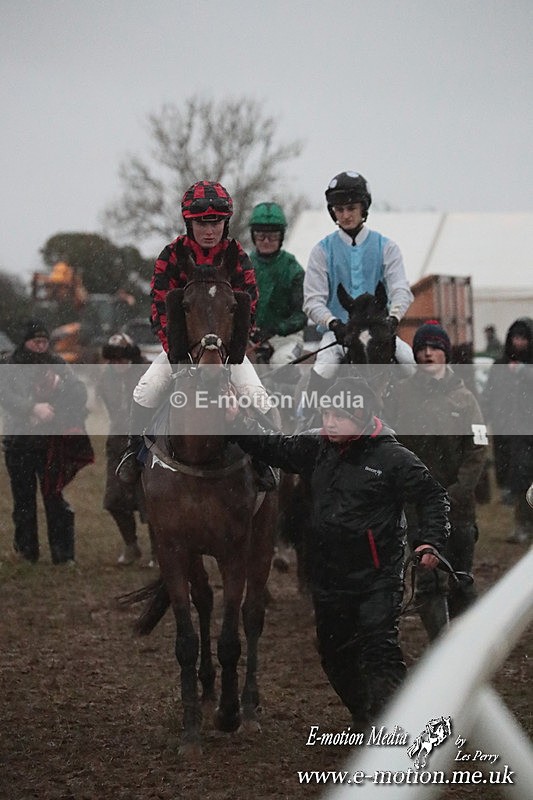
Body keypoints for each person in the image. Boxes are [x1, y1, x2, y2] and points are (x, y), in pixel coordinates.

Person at [226, 376, 449, 727]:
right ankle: (365, 714)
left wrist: (430, 540)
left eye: (339, 415)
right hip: (329, 575)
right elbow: (272, 446)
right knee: (333, 653)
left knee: (379, 650)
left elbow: (433, 496)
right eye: (326, 413)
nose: (329, 421)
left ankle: (395, 726)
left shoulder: (393, 458)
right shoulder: (316, 447)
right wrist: (235, 421)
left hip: (378, 575)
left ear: (362, 418)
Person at [117, 180, 277, 487]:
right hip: (182, 349)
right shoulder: (171, 255)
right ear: (189, 223)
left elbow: (249, 306)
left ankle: (265, 460)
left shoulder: (237, 256)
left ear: (225, 223)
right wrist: (178, 355)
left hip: (228, 353)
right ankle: (133, 451)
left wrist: (232, 353)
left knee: (259, 398)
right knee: (147, 389)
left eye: (215, 222)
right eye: (202, 222)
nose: (209, 230)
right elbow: (160, 309)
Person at [383, 320, 488, 640]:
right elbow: (390, 443)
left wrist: (459, 490)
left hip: (458, 506)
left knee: (460, 578)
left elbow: (477, 450)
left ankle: (463, 638)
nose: (428, 354)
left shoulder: (465, 399)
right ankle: (441, 643)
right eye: (422, 349)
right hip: (417, 505)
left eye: (435, 348)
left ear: (446, 354)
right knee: (427, 580)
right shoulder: (400, 396)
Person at [303, 171, 415, 397]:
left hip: (379, 331)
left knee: (410, 362)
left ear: (363, 209)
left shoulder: (387, 247)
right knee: (324, 366)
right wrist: (333, 324)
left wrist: (393, 319)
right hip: (340, 334)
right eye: (339, 210)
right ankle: (305, 419)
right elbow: (313, 300)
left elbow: (401, 290)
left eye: (351, 208)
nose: (345, 215)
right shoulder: (321, 251)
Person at [0, 320, 94, 564]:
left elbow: (78, 392)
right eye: (36, 341)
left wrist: (58, 398)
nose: (41, 347)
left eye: (44, 342)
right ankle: (26, 551)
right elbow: (5, 394)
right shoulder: (9, 364)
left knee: (54, 498)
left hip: (50, 445)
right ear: (25, 342)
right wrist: (32, 408)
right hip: (17, 443)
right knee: (23, 502)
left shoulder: (57, 363)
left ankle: (63, 555)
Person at [97, 333, 157, 566]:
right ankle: (131, 545)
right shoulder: (105, 380)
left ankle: (157, 551)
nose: (117, 365)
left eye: (122, 360)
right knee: (114, 499)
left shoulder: (150, 375)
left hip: (148, 443)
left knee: (151, 499)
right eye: (113, 361)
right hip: (118, 443)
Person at [483, 317, 533, 544]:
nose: (519, 343)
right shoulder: (501, 366)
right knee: (520, 479)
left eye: (523, 338)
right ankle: (523, 525)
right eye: (516, 338)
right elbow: (489, 398)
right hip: (510, 434)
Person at [248, 202, 307, 364]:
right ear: (253, 236)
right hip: (250, 338)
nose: (266, 241)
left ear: (281, 237)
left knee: (280, 362)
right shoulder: (242, 266)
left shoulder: (293, 269)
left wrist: (275, 328)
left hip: (285, 339)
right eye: (261, 236)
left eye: (273, 236)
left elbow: (301, 316)